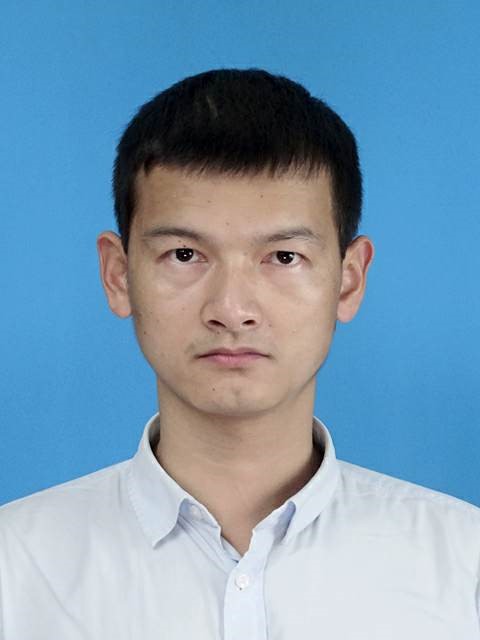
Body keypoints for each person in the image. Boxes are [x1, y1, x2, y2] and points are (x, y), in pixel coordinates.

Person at [0, 68, 478, 640]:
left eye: (283, 257)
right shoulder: (15, 567)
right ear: (119, 275)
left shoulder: (464, 566)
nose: (231, 309)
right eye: (184, 254)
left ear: (348, 280)